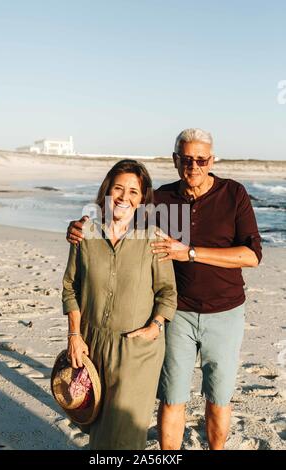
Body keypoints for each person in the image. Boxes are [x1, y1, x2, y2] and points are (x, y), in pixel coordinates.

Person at [67, 128, 262, 450]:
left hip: (226, 312)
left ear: (212, 160)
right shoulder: (161, 199)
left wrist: (191, 252)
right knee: (172, 399)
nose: (194, 166)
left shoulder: (234, 194)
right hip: (177, 315)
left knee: (219, 397)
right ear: (175, 160)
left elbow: (252, 256)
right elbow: (120, 214)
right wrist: (77, 227)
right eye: (187, 159)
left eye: (201, 159)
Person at [63, 159, 177, 450]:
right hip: (91, 344)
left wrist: (155, 327)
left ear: (142, 200)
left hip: (137, 349)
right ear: (107, 192)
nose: (124, 197)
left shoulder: (154, 239)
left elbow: (167, 293)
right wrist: (74, 335)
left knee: (127, 431)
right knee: (97, 424)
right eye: (118, 188)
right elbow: (70, 287)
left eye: (134, 192)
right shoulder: (84, 234)